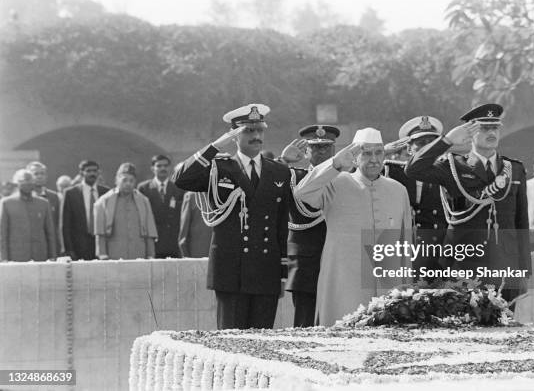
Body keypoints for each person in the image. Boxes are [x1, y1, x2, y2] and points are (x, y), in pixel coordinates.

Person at [172, 103, 291, 330]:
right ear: (234, 136)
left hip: (266, 270)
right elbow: (180, 178)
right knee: (231, 343)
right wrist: (215, 147)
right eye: (248, 131)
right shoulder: (218, 168)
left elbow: (280, 226)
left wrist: (282, 273)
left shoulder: (279, 172)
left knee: (263, 343)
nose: (256, 136)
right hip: (231, 271)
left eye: (260, 130)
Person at [405, 104, 531, 303]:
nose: (491, 132)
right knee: (467, 328)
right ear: (469, 134)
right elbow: (413, 169)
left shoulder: (513, 169)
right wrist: (446, 141)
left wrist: (524, 270)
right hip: (465, 265)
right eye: (484, 128)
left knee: (506, 329)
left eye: (495, 128)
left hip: (504, 265)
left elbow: (521, 221)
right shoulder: (453, 166)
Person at [294, 127, 412, 326]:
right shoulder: (336, 183)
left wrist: (405, 290)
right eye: (366, 153)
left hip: (386, 288)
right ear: (355, 157)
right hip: (344, 283)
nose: (374, 159)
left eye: (378, 153)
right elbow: (302, 193)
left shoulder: (398, 190)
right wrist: (336, 164)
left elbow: (404, 245)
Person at [278, 124, 340, 327]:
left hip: (340, 262)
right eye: (315, 148)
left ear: (335, 149)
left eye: (327, 147)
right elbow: (267, 183)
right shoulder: (295, 176)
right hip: (307, 265)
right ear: (306, 151)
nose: (322, 152)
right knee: (305, 325)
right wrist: (283, 161)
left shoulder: (346, 178)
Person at [383, 116, 447, 278]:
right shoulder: (392, 171)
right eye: (421, 143)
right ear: (409, 148)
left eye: (432, 143)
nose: (427, 148)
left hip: (439, 254)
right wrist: (381, 151)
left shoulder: (450, 173)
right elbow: (355, 173)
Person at [94, 163, 157, 260]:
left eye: (131, 181)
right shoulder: (104, 201)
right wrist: (102, 255)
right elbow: (100, 232)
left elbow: (150, 230)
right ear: (116, 180)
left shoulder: (143, 201)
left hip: (139, 255)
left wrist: (150, 255)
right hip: (114, 255)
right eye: (124, 180)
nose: (128, 183)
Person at [0, 169, 56, 262]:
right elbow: (2, 234)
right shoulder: (7, 203)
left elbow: (50, 232)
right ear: (17, 183)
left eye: (30, 180)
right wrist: (4, 258)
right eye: (23, 181)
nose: (27, 183)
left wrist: (52, 256)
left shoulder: (43, 203)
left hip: (40, 256)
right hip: (16, 257)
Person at [138, 155, 185, 258]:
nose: (163, 168)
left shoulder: (178, 188)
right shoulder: (144, 188)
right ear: (152, 168)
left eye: (165, 165)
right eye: (159, 166)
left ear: (170, 168)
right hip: (153, 242)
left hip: (173, 243)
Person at [62, 160, 110, 260]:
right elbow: (65, 225)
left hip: (102, 246)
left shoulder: (106, 192)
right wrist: (69, 250)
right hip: (79, 246)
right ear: (81, 173)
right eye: (88, 171)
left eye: (95, 171)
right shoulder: (71, 193)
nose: (92, 174)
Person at [26, 161, 61, 251]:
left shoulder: (53, 197)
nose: (39, 176)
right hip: (29, 246)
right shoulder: (24, 197)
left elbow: (57, 224)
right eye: (36, 174)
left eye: (42, 173)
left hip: (50, 246)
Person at [178, 191, 213, 258]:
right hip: (196, 256)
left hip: (217, 256)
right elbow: (184, 232)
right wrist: (186, 258)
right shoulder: (192, 196)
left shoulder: (221, 194)